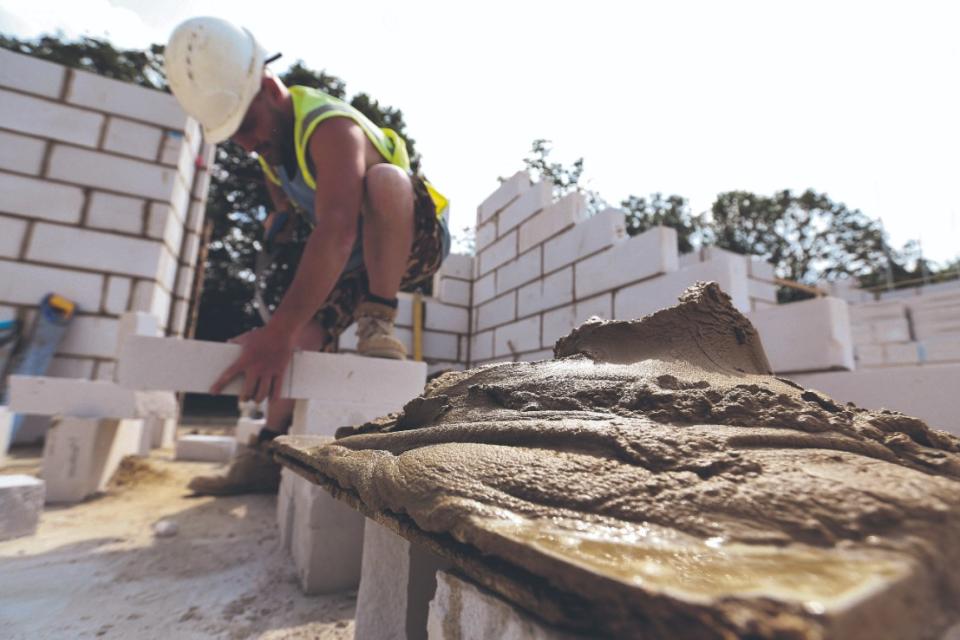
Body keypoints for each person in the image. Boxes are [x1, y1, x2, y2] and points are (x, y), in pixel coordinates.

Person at [163, 17, 450, 494]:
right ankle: (267, 452)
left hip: (413, 239)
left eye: (249, 126)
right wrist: (280, 217)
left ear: (271, 90)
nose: (248, 142)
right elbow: (292, 199)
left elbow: (336, 229)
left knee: (385, 180)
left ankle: (379, 318)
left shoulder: (329, 125)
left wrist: (274, 330)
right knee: (300, 335)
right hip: (359, 257)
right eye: (235, 136)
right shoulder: (270, 149)